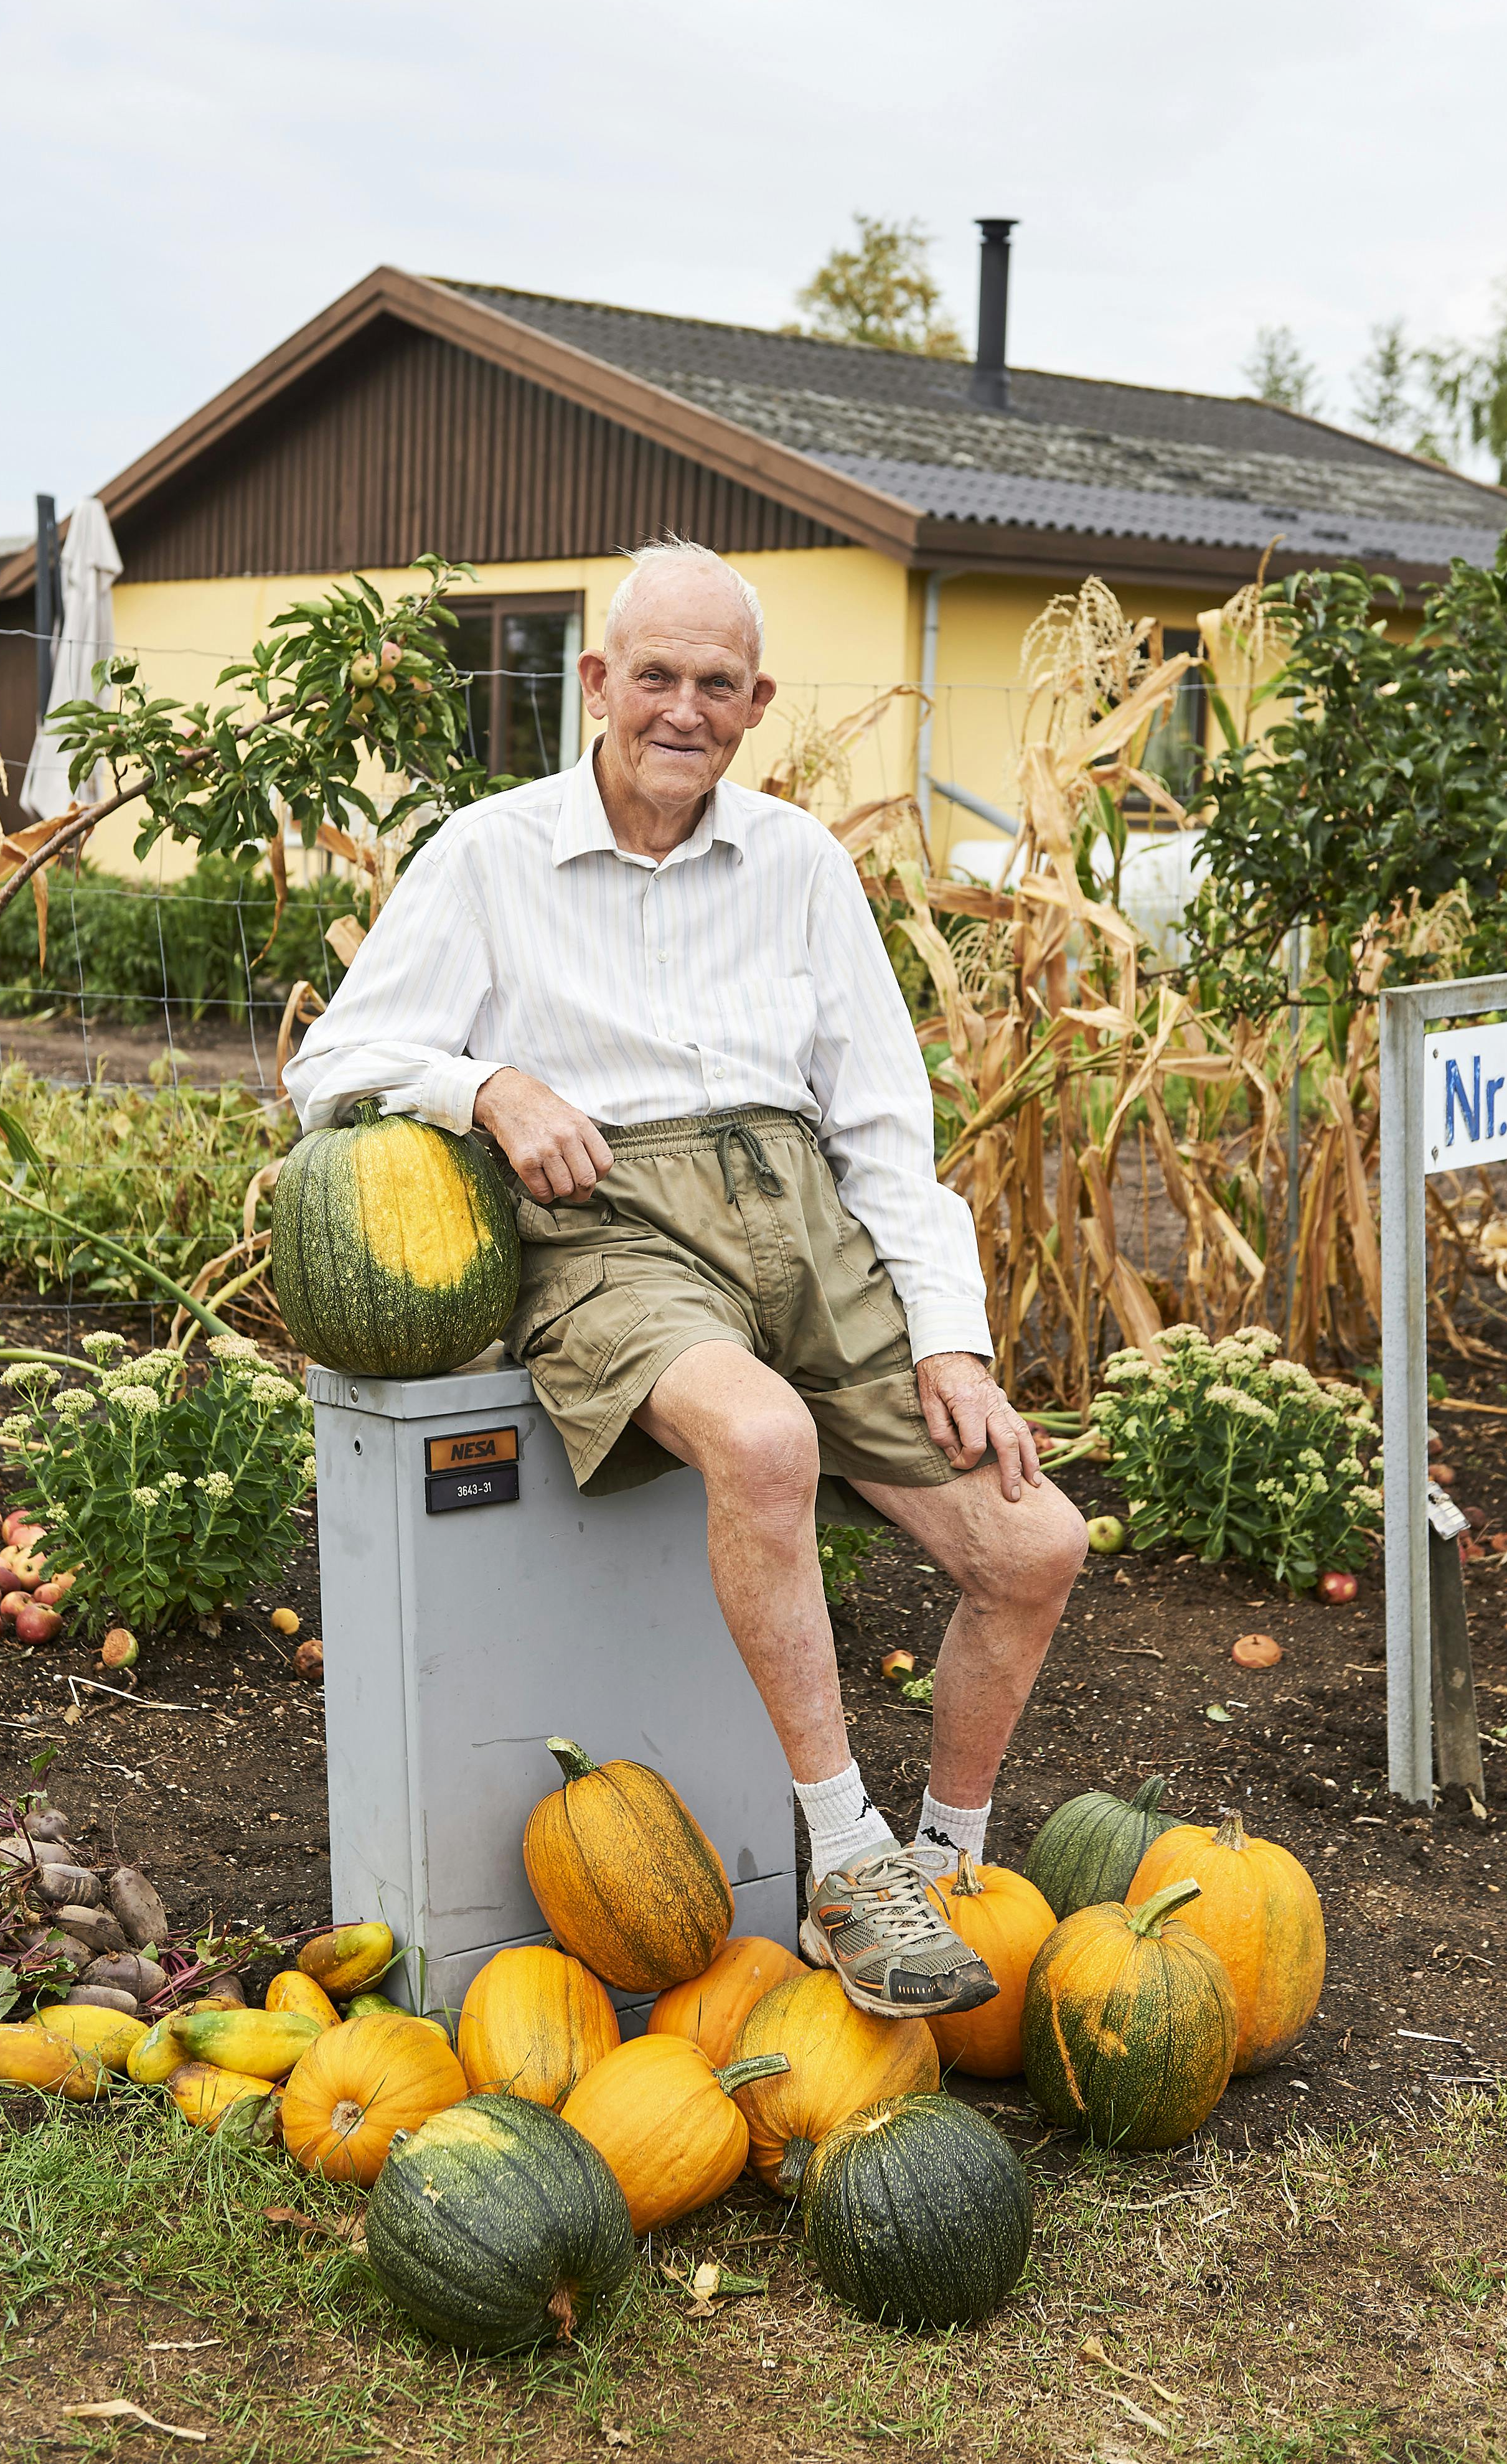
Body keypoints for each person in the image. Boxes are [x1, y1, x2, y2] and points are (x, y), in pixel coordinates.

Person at [285, 538, 1087, 2017]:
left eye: (718, 683)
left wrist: (953, 1340)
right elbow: (328, 1064)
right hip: (611, 1229)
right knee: (765, 1437)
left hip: (807, 1222)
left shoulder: (799, 866)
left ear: (758, 700)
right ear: (595, 682)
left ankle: (945, 1863)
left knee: (1034, 1547)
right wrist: (487, 1086)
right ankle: (844, 1860)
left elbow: (885, 1135)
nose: (683, 707)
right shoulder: (489, 852)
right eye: (653, 674)